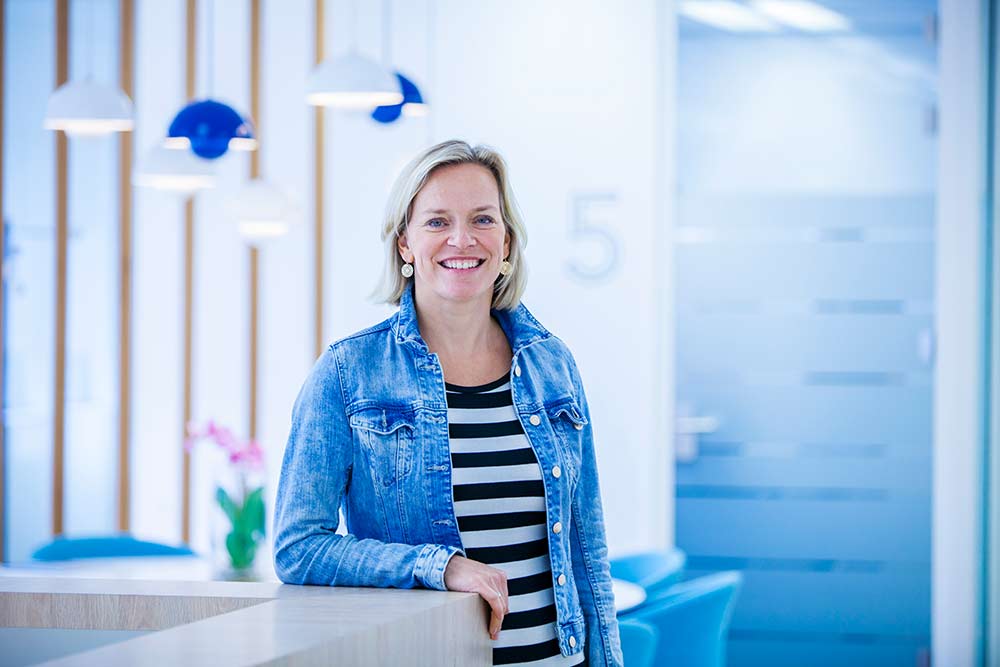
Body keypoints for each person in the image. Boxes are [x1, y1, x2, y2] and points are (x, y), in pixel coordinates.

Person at [273, 140, 623, 666]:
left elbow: (586, 548)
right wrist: (439, 567)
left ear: (506, 243)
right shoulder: (348, 374)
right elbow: (297, 548)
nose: (463, 239)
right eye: (437, 222)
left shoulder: (554, 367)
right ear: (404, 245)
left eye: (483, 219)